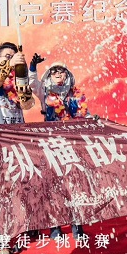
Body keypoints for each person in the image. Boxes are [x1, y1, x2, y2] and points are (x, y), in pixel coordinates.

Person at [0, 41, 37, 254]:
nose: (10, 58)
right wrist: (9, 65)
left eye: (13, 55)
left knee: (18, 187)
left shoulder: (18, 78)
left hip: (17, 141)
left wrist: (22, 82)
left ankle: (18, 227)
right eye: (6, 56)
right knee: (0, 189)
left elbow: (28, 105)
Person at [33, 60, 90, 242]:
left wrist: (93, 121)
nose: (58, 74)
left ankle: (77, 226)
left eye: (61, 71)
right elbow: (32, 83)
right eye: (54, 71)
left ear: (67, 74)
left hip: (72, 146)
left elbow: (85, 115)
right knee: (54, 187)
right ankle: (55, 227)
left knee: (75, 185)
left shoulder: (76, 95)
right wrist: (33, 68)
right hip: (51, 146)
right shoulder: (44, 92)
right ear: (49, 75)